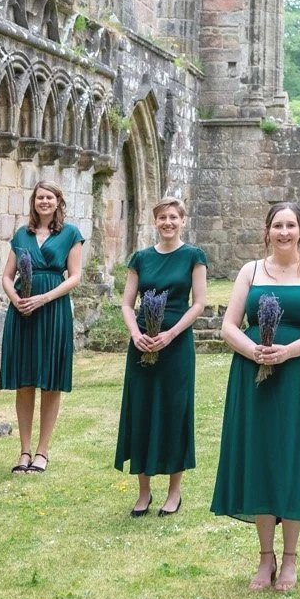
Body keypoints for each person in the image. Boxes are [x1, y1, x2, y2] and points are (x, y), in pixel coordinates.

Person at [213, 203, 300, 592]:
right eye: (277, 226)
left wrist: (289, 351)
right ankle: (265, 558)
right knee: (262, 457)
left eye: (291, 225)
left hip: (299, 375)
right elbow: (228, 325)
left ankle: (290, 559)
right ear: (267, 231)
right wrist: (253, 351)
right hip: (254, 375)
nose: (284, 232)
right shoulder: (249, 272)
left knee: (293, 456)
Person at [114, 196, 209, 517]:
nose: (167, 222)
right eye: (162, 218)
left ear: (183, 220)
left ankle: (174, 492)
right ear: (154, 222)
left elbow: (198, 304)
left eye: (173, 217)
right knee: (141, 411)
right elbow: (128, 303)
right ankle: (143, 493)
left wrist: (171, 334)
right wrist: (135, 334)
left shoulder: (194, 256)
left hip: (176, 344)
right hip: (142, 343)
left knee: (174, 411)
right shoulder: (140, 258)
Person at [0, 181, 86, 474]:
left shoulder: (71, 234)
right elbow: (7, 277)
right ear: (34, 202)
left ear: (58, 201)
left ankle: (42, 452)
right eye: (39, 197)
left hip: (53, 310)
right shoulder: (22, 235)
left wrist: (44, 298)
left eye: (49, 197)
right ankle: (23, 451)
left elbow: (75, 277)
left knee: (50, 381)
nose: (44, 202)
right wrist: (18, 299)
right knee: (24, 382)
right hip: (23, 312)